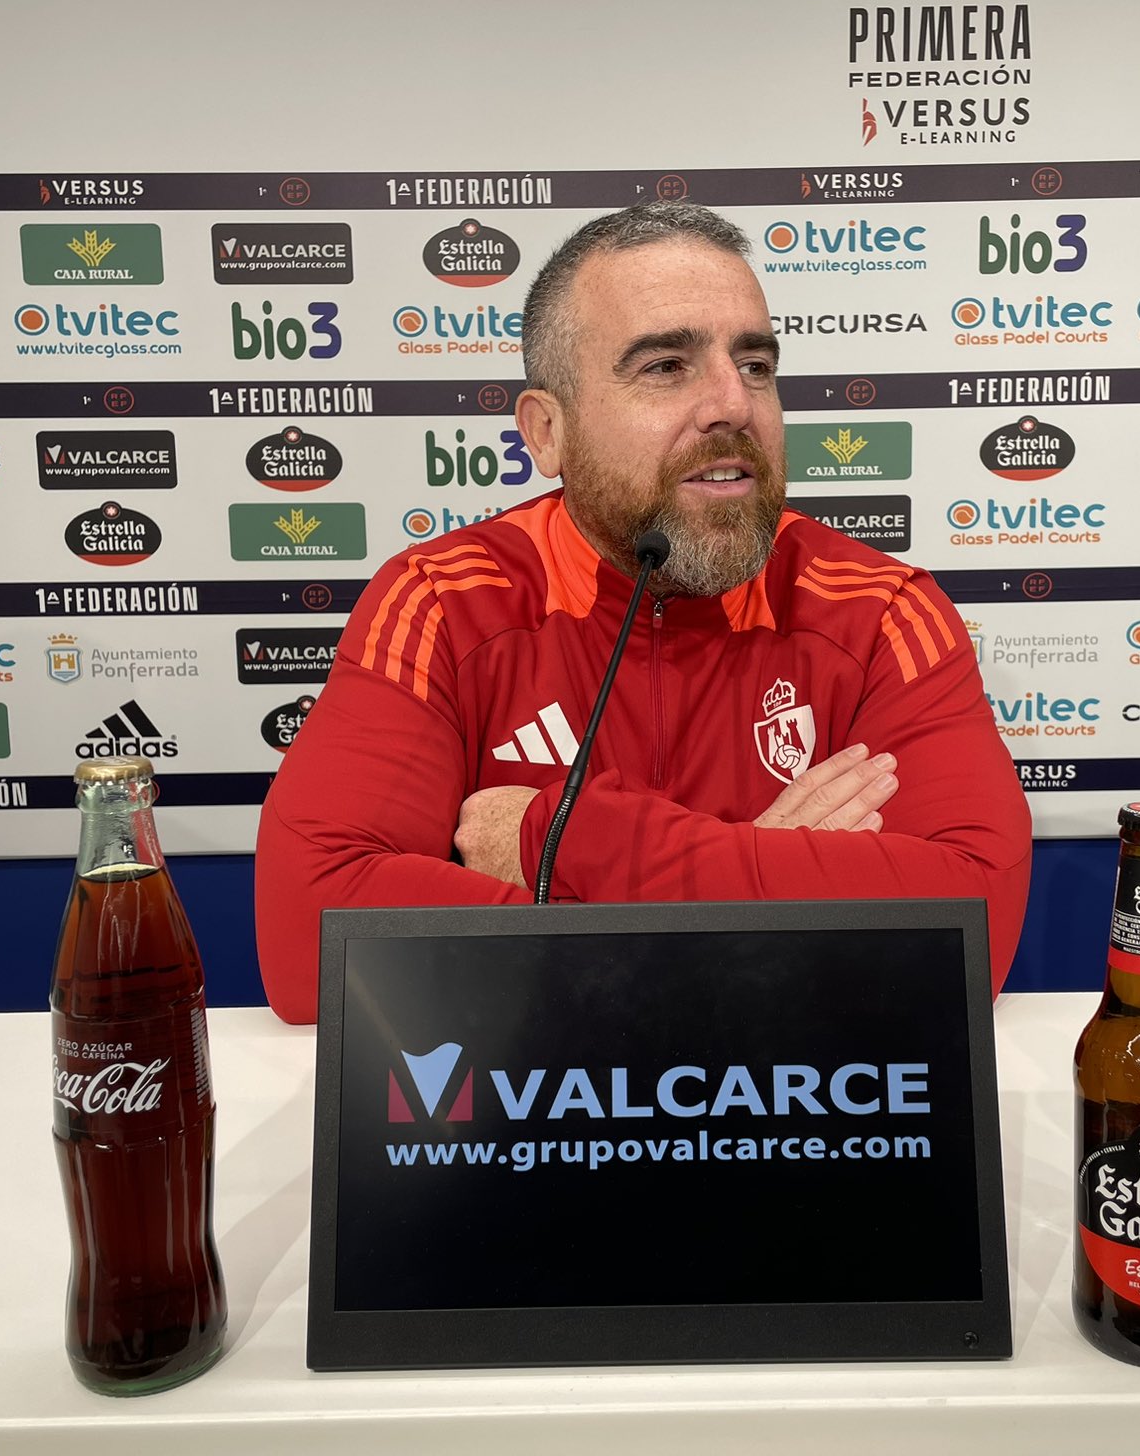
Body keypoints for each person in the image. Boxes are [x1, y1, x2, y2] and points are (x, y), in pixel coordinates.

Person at [254, 201, 1031, 1023]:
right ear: (546, 433)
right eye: (666, 366)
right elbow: (314, 938)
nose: (734, 403)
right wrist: (772, 890)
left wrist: (557, 845)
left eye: (757, 365)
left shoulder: (879, 611)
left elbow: (969, 925)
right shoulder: (443, 600)